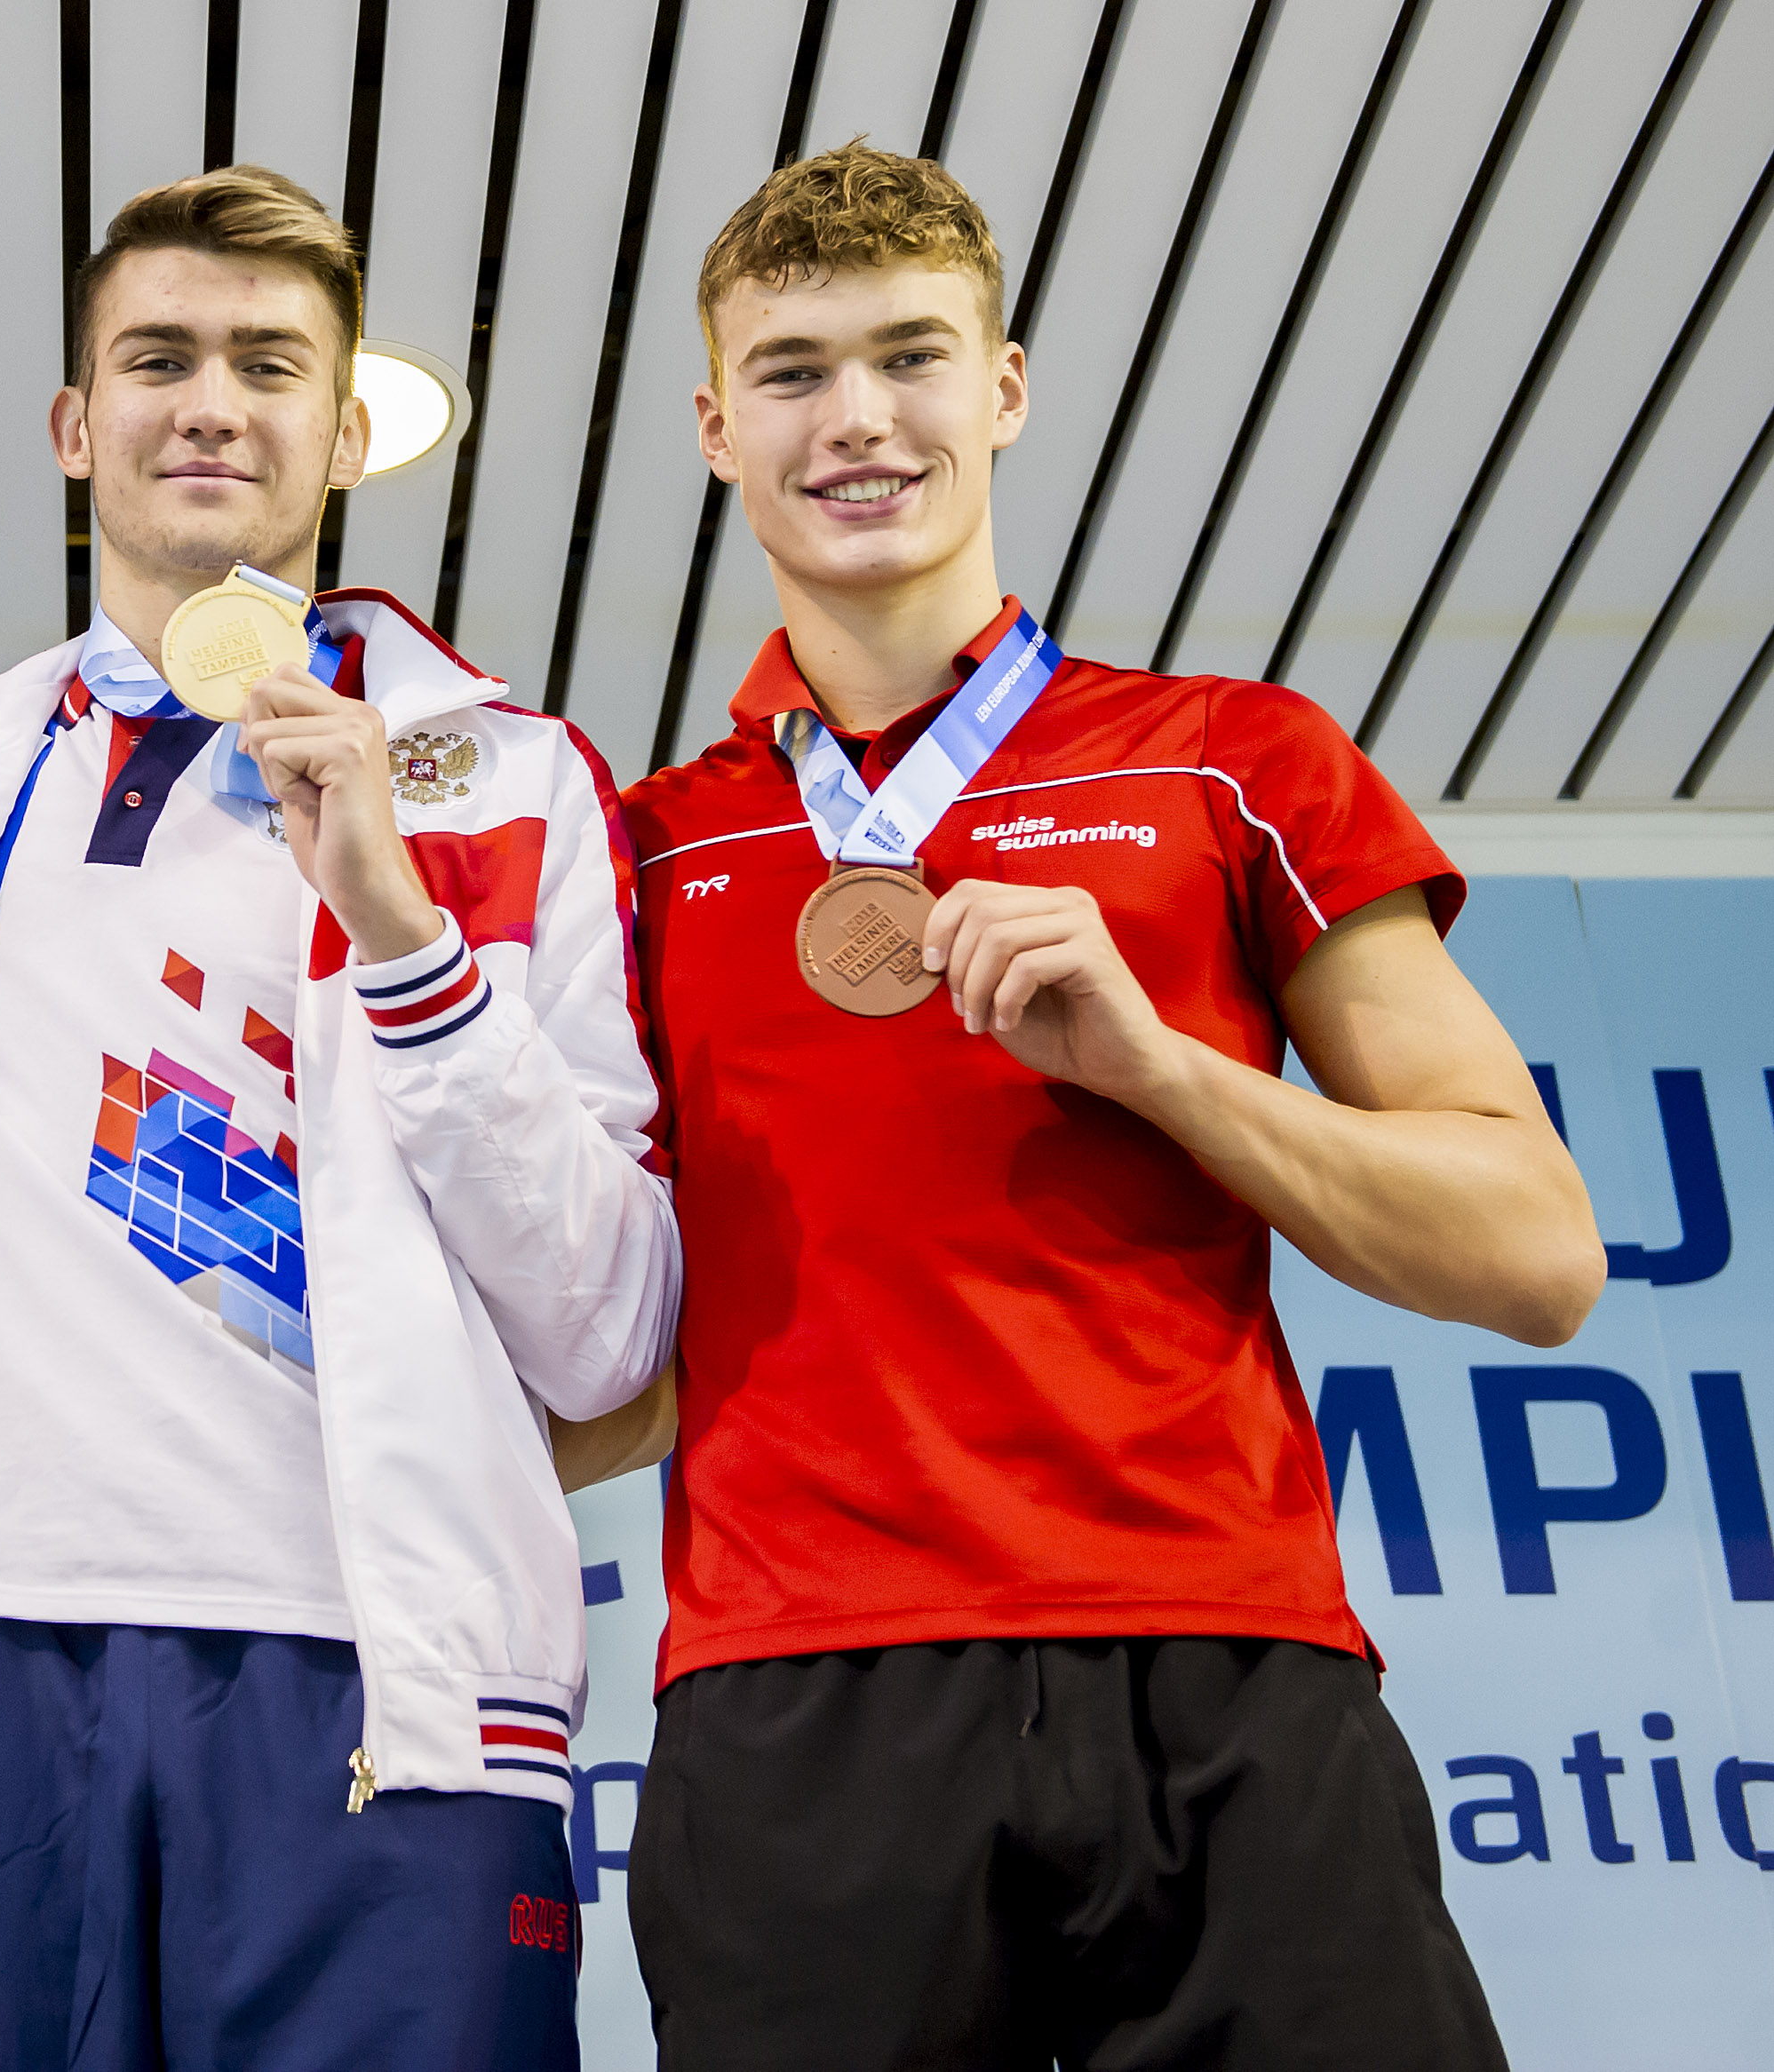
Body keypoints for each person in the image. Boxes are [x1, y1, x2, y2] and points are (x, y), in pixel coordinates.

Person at [561, 142, 1607, 2070]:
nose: (856, 418)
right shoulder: (627, 855)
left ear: (1007, 388)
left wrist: (1157, 1066)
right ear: (715, 425)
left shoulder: (1228, 762)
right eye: (791, 371)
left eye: (912, 357)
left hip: (1224, 1671)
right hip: (796, 1698)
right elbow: (595, 1364)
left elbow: (1537, 1259)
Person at [0, 165, 677, 2068]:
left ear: (345, 431)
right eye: (157, 358)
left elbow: (607, 1322)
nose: (209, 402)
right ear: (75, 426)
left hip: (380, 1663)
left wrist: (404, 932)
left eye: (269, 363)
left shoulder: (511, 782)